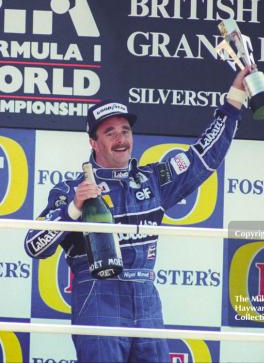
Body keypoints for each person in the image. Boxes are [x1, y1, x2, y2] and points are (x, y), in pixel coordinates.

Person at [24, 67, 251, 363]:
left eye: (125, 131)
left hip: (147, 305)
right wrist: (74, 209)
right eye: (110, 132)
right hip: (98, 301)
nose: (120, 139)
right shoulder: (70, 190)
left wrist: (235, 98)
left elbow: (203, 156)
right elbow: (34, 246)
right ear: (93, 142)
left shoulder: (154, 179)